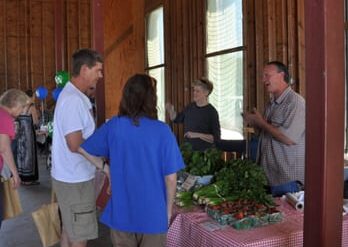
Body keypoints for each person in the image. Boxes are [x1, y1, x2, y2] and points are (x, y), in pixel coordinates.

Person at [79, 74, 185, 247]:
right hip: (153, 214)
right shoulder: (162, 131)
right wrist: (168, 212)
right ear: (151, 98)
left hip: (122, 212)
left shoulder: (114, 126)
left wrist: (105, 168)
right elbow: (171, 179)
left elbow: (83, 149)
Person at [51, 48, 105, 247]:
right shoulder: (73, 100)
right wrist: (102, 165)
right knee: (80, 236)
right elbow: (75, 144)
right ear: (84, 70)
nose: (100, 75)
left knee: (69, 230)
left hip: (69, 177)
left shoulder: (73, 96)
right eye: (98, 70)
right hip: (75, 180)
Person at [243, 61, 305, 187]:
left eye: (267, 75)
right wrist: (255, 123)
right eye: (263, 76)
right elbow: (265, 133)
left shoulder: (295, 103)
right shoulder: (271, 103)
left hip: (287, 179)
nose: (263, 80)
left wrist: (261, 122)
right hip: (270, 176)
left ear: (281, 75)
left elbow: (289, 138)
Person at [0, 89, 30, 227]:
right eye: (22, 107)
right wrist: (15, 174)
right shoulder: (5, 117)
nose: (23, 110)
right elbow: (4, 148)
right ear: (14, 104)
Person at [166, 78, 221, 151]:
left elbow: (216, 138)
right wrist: (171, 111)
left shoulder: (212, 112)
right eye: (194, 90)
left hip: (203, 156)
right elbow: (176, 119)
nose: (194, 93)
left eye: (197, 91)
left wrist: (196, 135)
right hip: (188, 153)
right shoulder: (190, 107)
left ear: (206, 93)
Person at [12, 89, 40, 185]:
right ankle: (29, 179)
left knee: (21, 154)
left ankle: (22, 177)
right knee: (29, 155)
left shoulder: (20, 106)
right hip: (29, 134)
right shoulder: (31, 107)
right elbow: (36, 122)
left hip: (20, 134)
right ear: (31, 96)